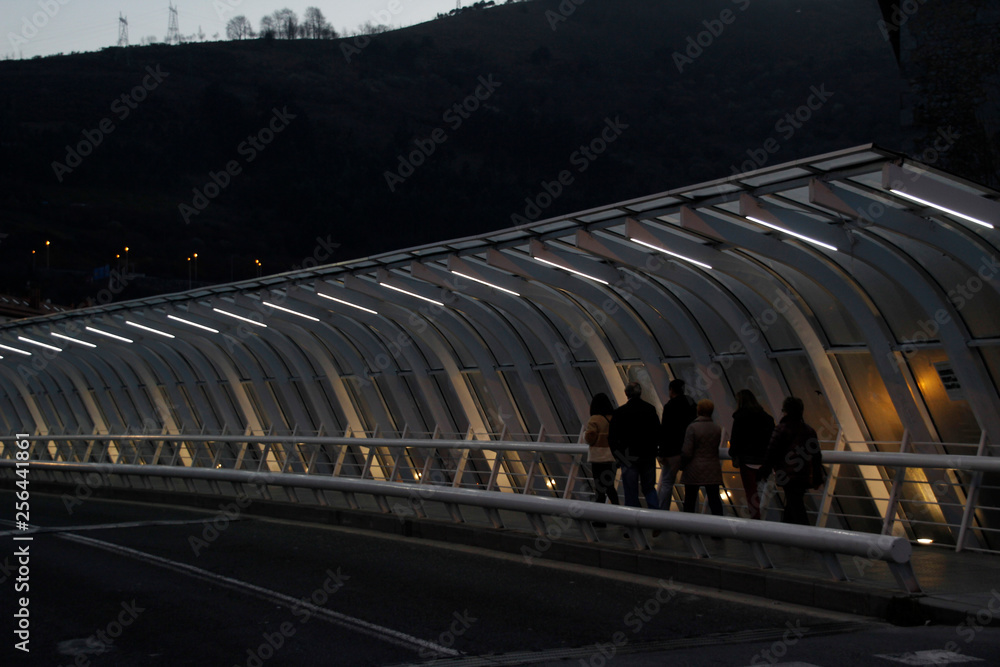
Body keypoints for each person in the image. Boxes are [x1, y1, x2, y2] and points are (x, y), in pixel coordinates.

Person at [760, 396, 822, 525]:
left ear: (786, 411)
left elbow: (771, 451)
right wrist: (817, 477)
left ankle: (808, 538)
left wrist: (764, 471)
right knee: (794, 502)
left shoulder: (781, 429)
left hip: (787, 474)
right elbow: (816, 456)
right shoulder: (809, 431)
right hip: (804, 474)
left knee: (796, 507)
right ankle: (786, 533)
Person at [608, 382, 659, 510]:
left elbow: (612, 437)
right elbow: (657, 432)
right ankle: (656, 519)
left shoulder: (620, 412)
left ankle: (633, 524)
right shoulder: (650, 409)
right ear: (640, 392)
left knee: (630, 491)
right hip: (647, 455)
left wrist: (618, 456)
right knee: (649, 488)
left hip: (627, 457)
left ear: (626, 394)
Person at [728, 390, 774, 520]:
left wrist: (733, 453)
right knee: (762, 491)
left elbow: (736, 438)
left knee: (751, 493)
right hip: (763, 460)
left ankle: (755, 520)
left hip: (747, 460)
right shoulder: (767, 418)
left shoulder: (739, 417)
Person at [658, 378, 697, 510]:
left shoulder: (669, 406)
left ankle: (663, 513)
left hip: (672, 450)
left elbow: (665, 430)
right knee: (691, 484)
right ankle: (690, 515)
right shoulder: (691, 403)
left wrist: (662, 452)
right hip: (690, 449)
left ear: (671, 390)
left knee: (667, 482)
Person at [680, 399, 724, 516]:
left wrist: (682, 464)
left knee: (690, 499)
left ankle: (688, 527)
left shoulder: (692, 428)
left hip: (694, 469)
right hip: (712, 468)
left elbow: (687, 452)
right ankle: (718, 529)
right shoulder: (716, 428)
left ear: (698, 410)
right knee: (714, 500)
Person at [584, 393, 619, 527]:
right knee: (610, 487)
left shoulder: (595, 419)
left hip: (598, 458)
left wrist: (585, 436)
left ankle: (600, 519)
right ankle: (619, 515)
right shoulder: (613, 418)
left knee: (599, 488)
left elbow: (590, 438)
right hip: (612, 457)